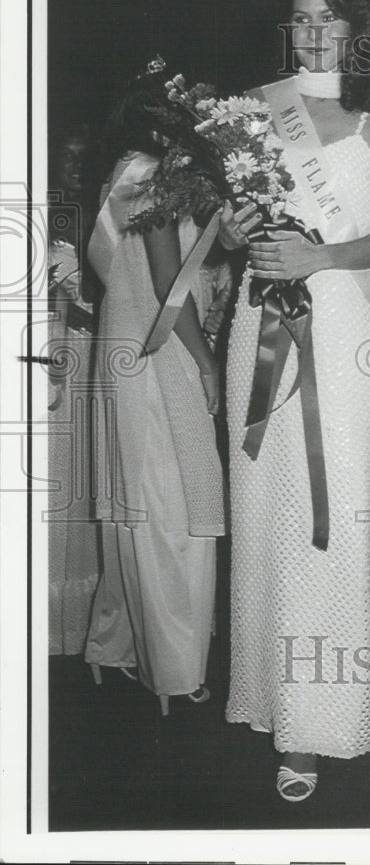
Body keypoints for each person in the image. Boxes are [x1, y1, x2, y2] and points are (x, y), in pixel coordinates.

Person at [220, 0, 370, 802]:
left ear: (354, 24)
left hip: (338, 325)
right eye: (299, 19)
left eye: (327, 16)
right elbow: (235, 234)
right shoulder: (256, 110)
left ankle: (321, 722)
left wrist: (318, 254)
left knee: (322, 521)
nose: (312, 33)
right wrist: (233, 227)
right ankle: (269, 702)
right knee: (263, 513)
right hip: (257, 322)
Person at [84, 67, 225, 714]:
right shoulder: (155, 180)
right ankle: (175, 670)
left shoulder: (123, 173)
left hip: (125, 358)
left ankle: (124, 647)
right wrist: (207, 362)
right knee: (177, 518)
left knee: (144, 510)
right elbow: (172, 290)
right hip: (161, 357)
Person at [47, 124, 101, 656]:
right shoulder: (44, 210)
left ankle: (78, 619)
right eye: (67, 154)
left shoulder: (102, 210)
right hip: (45, 349)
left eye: (85, 156)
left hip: (85, 352)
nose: (76, 166)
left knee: (76, 477)